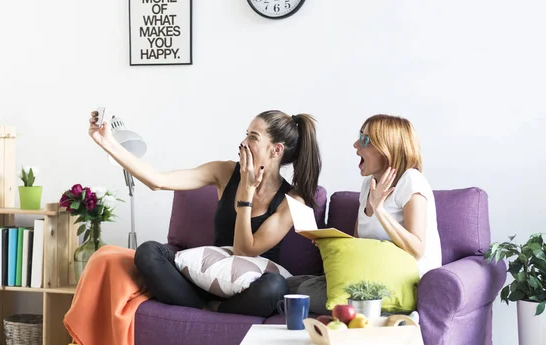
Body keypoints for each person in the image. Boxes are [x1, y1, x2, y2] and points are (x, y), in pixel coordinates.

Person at [88, 110, 322, 318]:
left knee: (275, 287)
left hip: (250, 290)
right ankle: (203, 309)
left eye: (253, 137)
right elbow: (158, 181)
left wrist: (246, 194)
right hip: (205, 280)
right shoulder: (224, 171)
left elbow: (244, 250)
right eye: (246, 133)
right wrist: (107, 142)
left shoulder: (292, 201)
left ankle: (206, 311)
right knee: (148, 252)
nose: (243, 142)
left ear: (276, 150)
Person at [289, 114, 441, 316]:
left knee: (304, 292)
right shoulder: (367, 185)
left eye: (364, 140)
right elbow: (360, 245)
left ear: (387, 148)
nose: (355, 145)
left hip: (403, 283)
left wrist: (380, 210)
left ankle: (397, 315)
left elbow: (417, 249)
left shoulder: (410, 180)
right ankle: (373, 313)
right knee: (290, 285)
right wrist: (331, 242)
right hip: (372, 275)